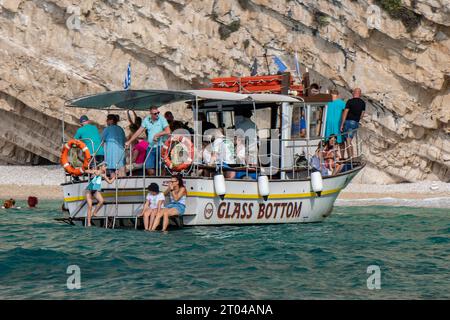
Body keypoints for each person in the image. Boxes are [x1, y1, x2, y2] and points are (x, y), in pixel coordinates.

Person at [126, 106, 171, 176]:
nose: (157, 114)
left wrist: (158, 134)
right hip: (151, 147)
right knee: (148, 168)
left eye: (158, 113)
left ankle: (162, 181)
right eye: (155, 113)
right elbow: (139, 131)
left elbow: (168, 131)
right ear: (151, 114)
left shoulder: (162, 119)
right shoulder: (146, 120)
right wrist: (129, 141)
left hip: (160, 146)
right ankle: (153, 181)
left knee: (161, 167)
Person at [84, 162, 115, 227]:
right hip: (89, 191)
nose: (105, 168)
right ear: (100, 167)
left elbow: (110, 182)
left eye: (106, 167)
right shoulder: (96, 171)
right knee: (90, 206)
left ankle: (94, 212)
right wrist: (92, 172)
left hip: (95, 191)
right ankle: (89, 223)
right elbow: (86, 171)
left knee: (101, 201)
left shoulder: (103, 175)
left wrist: (115, 177)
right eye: (104, 166)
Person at [340, 88, 366, 159]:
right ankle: (350, 156)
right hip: (355, 122)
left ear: (353, 93)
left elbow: (345, 112)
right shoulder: (363, 103)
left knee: (348, 140)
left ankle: (350, 157)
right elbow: (362, 115)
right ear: (360, 94)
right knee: (349, 140)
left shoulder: (350, 101)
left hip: (348, 122)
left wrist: (342, 124)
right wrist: (356, 119)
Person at [325, 89, 346, 156]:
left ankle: (328, 156)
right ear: (338, 95)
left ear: (331, 94)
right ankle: (342, 156)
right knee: (340, 141)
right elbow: (346, 111)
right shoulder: (342, 102)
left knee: (327, 141)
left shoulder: (327, 102)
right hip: (337, 124)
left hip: (328, 124)